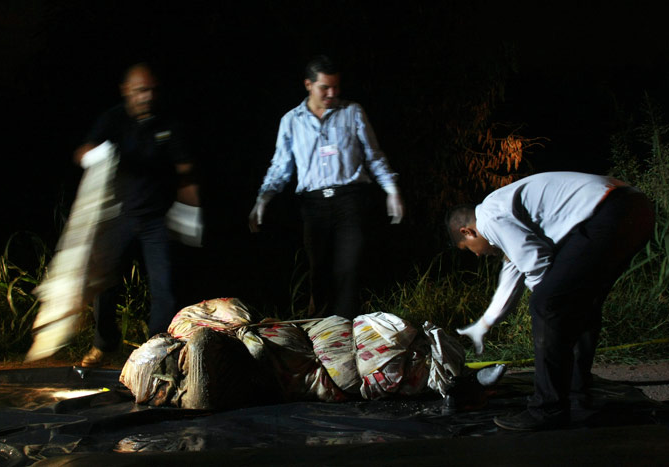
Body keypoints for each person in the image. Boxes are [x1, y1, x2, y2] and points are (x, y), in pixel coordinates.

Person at [446, 171, 654, 431]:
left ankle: (548, 409)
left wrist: (547, 304)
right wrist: (486, 322)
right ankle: (579, 398)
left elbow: (534, 262)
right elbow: (514, 270)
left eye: (469, 249)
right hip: (634, 208)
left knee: (548, 304)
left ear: (468, 231)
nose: (478, 256)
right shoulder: (501, 211)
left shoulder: (488, 217)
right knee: (582, 306)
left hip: (606, 212)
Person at [248, 55, 404, 320]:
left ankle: (346, 327)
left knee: (349, 267)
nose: (331, 93)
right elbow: (281, 166)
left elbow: (373, 154)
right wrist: (263, 199)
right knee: (318, 269)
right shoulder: (292, 121)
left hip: (350, 199)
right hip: (313, 204)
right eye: (324, 88)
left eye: (336, 87)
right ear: (308, 85)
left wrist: (392, 190)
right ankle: (320, 329)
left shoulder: (352, 112)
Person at [74, 63, 200, 367]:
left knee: (164, 286)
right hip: (119, 216)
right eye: (141, 90)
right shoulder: (114, 119)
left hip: (156, 218)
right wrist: (95, 155)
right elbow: (83, 152)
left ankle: (155, 351)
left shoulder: (167, 123)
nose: (147, 96)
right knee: (103, 281)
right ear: (126, 91)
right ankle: (105, 345)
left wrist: (191, 215)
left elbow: (185, 170)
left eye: (152, 90)